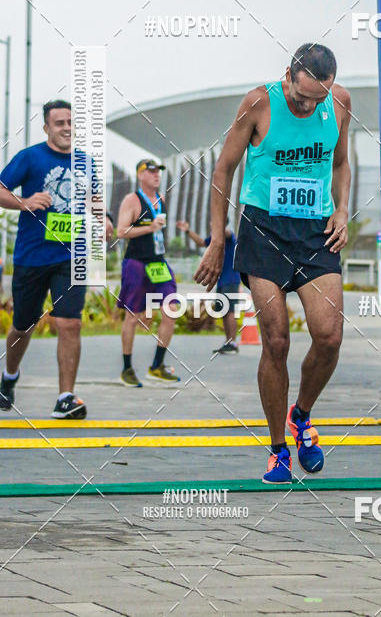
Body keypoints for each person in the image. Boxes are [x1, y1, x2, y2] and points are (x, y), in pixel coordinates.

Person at [194, 43, 351, 483]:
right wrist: (216, 239)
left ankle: (300, 416)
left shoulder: (338, 102)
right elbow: (223, 169)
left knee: (330, 335)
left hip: (315, 231)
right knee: (277, 341)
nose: (307, 106)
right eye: (300, 97)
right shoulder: (259, 102)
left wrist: (341, 210)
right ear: (288, 75)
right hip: (263, 230)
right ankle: (278, 449)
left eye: (316, 100)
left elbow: (341, 164)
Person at [0, 100, 112, 417]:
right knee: (23, 325)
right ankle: (8, 378)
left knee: (70, 323)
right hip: (32, 257)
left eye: (70, 122)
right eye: (59, 122)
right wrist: (24, 201)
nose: (66, 128)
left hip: (71, 256)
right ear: (47, 127)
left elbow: (94, 198)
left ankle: (66, 397)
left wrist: (102, 217)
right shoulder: (30, 157)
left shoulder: (86, 162)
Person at [116, 158, 180, 386]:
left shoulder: (159, 200)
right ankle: (126, 368)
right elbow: (121, 231)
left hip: (158, 263)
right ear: (140, 175)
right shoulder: (132, 200)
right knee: (132, 317)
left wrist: (157, 232)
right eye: (151, 171)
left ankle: (156, 366)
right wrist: (149, 228)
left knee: (171, 309)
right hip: (136, 263)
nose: (156, 175)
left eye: (158, 171)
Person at [176, 215, 241, 354]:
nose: (212, 223)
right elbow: (201, 242)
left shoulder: (227, 235)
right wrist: (187, 231)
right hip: (222, 280)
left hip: (231, 279)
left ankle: (233, 343)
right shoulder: (215, 238)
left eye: (214, 221)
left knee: (229, 311)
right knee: (224, 311)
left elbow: (228, 232)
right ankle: (228, 342)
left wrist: (220, 226)